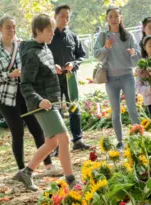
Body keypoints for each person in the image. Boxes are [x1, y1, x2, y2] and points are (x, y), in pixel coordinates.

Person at [0, 16, 59, 179]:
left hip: (25, 94)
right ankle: (22, 170)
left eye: (14, 27)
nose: (12, 30)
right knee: (17, 131)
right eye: (8, 27)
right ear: (0, 29)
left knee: (37, 129)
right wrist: (9, 74)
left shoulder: (23, 46)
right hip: (6, 98)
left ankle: (48, 165)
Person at [17, 13, 77, 191]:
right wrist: (39, 101)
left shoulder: (44, 47)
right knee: (64, 138)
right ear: (38, 31)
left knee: (52, 142)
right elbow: (25, 84)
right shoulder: (31, 54)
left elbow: (41, 74)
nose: (53, 33)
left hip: (51, 101)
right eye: (49, 30)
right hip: (43, 104)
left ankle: (26, 172)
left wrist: (54, 69)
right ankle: (71, 180)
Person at [94, 6, 140, 149]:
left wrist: (134, 53)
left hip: (127, 77)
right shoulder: (103, 36)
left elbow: (138, 57)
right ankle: (120, 142)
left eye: (116, 16)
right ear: (107, 19)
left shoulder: (128, 36)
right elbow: (96, 55)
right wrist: (106, 48)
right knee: (115, 113)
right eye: (111, 16)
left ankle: (138, 138)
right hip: (111, 79)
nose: (114, 19)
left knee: (132, 109)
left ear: (121, 18)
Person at [48, 4, 90, 151]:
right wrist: (52, 66)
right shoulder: (48, 36)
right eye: (62, 16)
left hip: (70, 78)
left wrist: (73, 64)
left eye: (68, 17)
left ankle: (78, 141)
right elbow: (41, 57)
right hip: (53, 80)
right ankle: (58, 145)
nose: (65, 19)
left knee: (74, 109)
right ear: (55, 16)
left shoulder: (72, 36)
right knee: (56, 111)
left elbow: (82, 55)